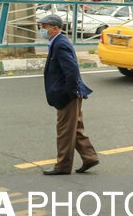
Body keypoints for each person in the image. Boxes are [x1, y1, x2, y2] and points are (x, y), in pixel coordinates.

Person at [38, 14, 99, 175]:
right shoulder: (56, 42)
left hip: (68, 95)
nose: (41, 30)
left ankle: (63, 166)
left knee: (64, 131)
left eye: (44, 27)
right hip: (70, 93)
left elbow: (71, 71)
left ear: (55, 28)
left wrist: (69, 94)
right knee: (75, 128)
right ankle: (90, 157)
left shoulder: (60, 44)